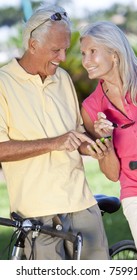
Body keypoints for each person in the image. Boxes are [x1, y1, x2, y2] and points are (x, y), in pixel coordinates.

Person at [0, 5, 110, 260]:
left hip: (83, 204)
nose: (62, 57)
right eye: (55, 50)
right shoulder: (3, 83)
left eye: (65, 49)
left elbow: (76, 136)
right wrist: (54, 143)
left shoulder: (62, 79)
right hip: (38, 214)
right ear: (33, 44)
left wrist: (94, 144)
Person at [79, 21, 137, 260]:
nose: (85, 60)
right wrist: (106, 139)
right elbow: (111, 174)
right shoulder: (91, 108)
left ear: (114, 53)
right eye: (83, 54)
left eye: (92, 52)